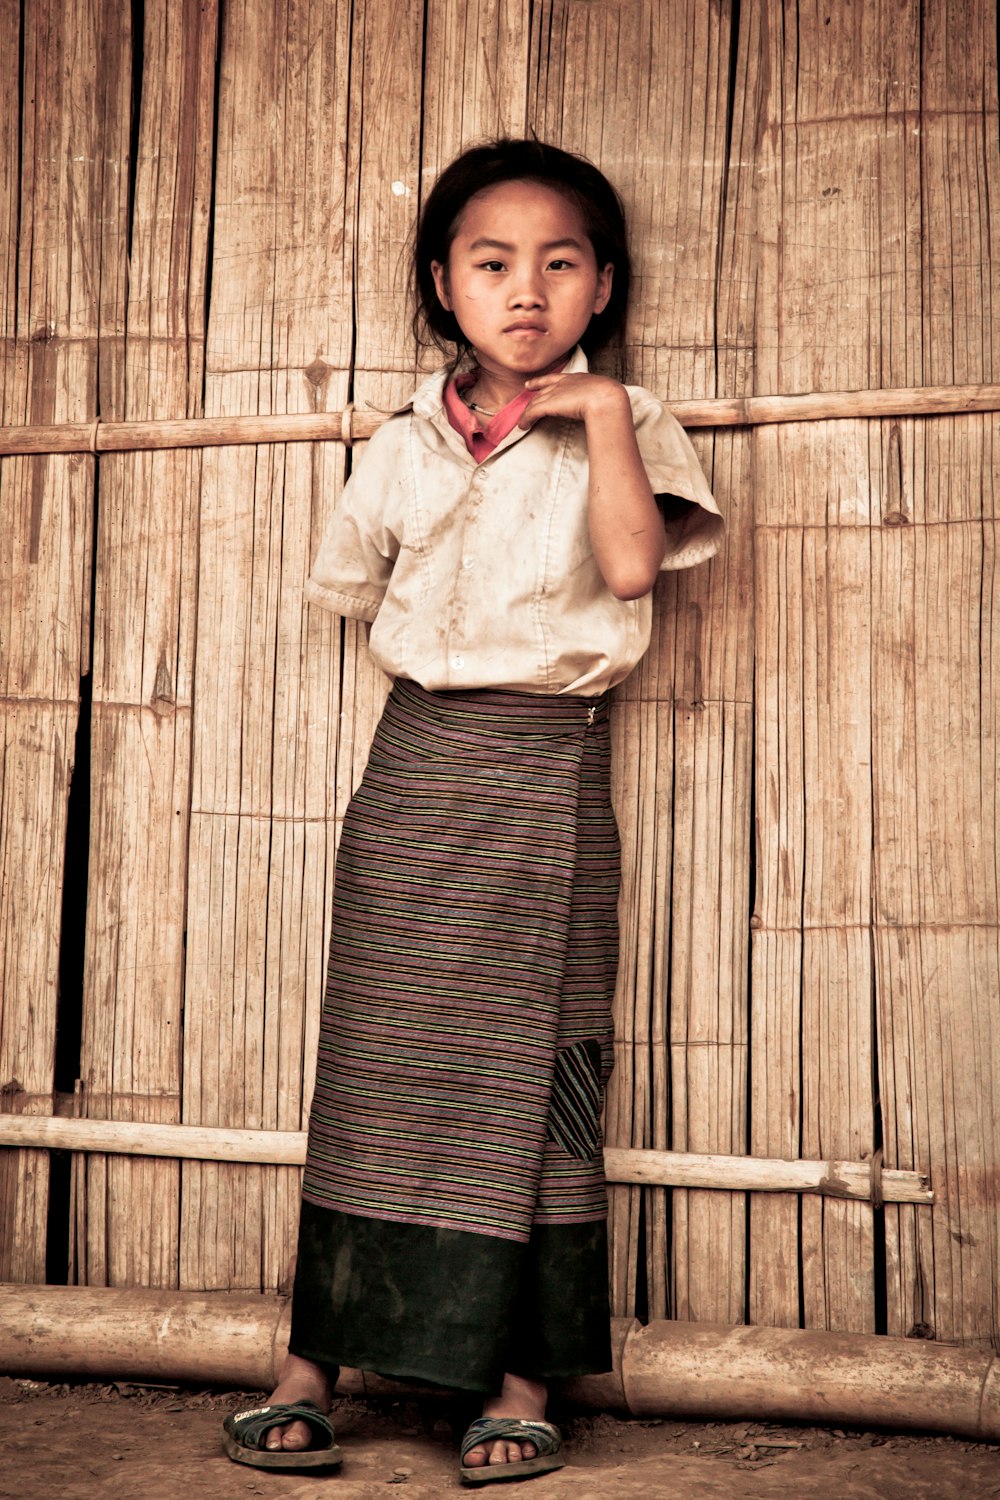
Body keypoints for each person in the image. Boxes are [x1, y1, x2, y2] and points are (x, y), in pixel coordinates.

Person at [222, 137, 723, 1485]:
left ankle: (519, 1377)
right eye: (492, 263)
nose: (527, 291)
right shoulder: (400, 444)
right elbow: (350, 586)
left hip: (549, 773)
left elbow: (631, 568)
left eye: (561, 264)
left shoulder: (636, 421)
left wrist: (603, 418)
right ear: (443, 283)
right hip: (416, 776)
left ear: (604, 285)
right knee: (373, 1072)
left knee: (542, 1080)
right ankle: (309, 1367)